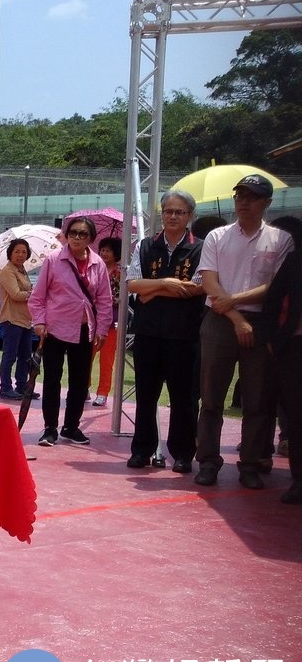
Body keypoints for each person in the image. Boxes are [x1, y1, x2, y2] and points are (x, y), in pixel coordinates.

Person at [194, 175, 294, 489]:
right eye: (240, 196)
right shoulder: (217, 236)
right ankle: (208, 461)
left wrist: (233, 300)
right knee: (211, 398)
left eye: (252, 197)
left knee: (257, 401)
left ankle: (250, 463)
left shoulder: (281, 240)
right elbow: (208, 281)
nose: (244, 203)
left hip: (260, 324)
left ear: (267, 202)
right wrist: (237, 318)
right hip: (220, 322)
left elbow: (276, 287)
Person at [124, 190, 206, 472]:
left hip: (184, 335)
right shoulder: (146, 246)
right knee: (146, 394)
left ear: (189, 217)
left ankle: (183, 453)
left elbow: (196, 288)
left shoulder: (201, 248)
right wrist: (169, 284)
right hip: (148, 333)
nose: (172, 216)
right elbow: (133, 283)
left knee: (183, 398)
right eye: (168, 211)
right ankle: (142, 450)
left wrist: (155, 287)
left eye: (179, 212)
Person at [29, 216, 113, 447]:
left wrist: (102, 329)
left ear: (91, 239)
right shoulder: (54, 260)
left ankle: (71, 426)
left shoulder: (99, 264)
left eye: (82, 234)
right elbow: (38, 298)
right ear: (66, 235)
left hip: (85, 330)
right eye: (73, 232)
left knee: (79, 382)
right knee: (52, 380)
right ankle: (50, 428)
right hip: (55, 329)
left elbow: (105, 301)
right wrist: (40, 321)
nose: (76, 237)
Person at [260, 216, 302, 503]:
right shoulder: (295, 261)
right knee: (297, 417)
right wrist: (275, 340)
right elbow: (273, 300)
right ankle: (299, 480)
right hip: (294, 348)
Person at [0, 238, 35, 400]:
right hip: (11, 320)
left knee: (26, 357)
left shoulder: (22, 270)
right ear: (10, 253)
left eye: (24, 252)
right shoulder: (7, 271)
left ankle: (22, 387)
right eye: (17, 251)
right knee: (10, 355)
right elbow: (16, 294)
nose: (20, 255)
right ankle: (5, 388)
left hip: (26, 320)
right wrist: (33, 295)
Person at [89, 237, 123, 407]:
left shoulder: (119, 274)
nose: (103, 253)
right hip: (90, 322)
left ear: (116, 254)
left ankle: (102, 392)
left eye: (108, 250)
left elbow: (119, 298)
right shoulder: (93, 270)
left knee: (106, 360)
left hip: (111, 323)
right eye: (102, 250)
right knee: (86, 357)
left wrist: (103, 298)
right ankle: (84, 388)